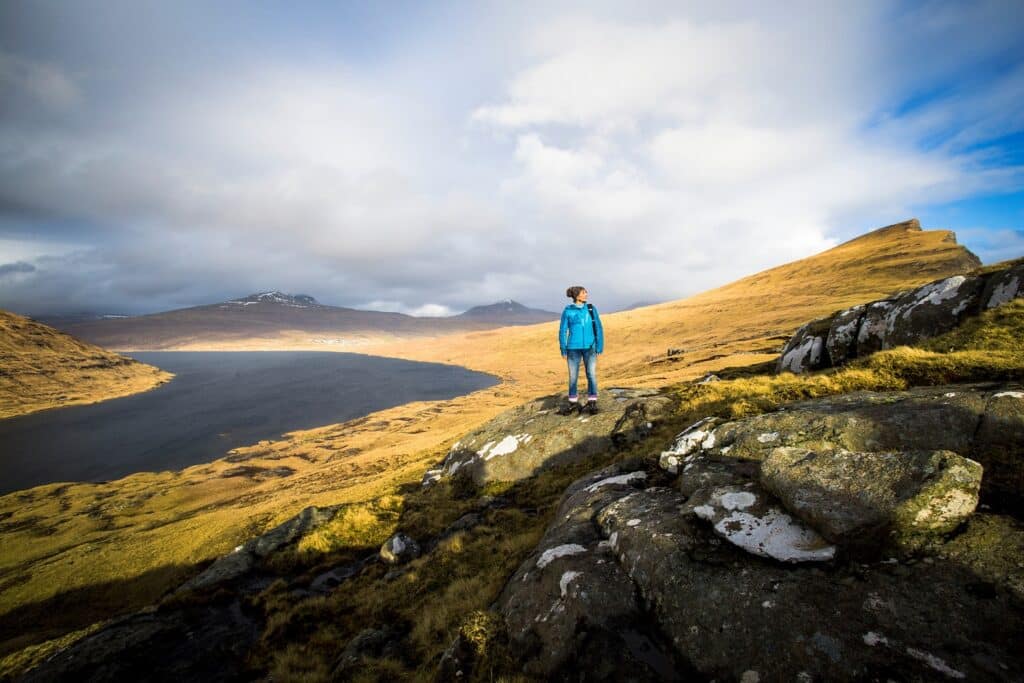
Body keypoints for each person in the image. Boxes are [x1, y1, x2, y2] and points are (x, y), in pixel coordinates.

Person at [558, 285, 604, 415]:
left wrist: (599, 345)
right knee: (573, 377)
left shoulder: (591, 309)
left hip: (590, 347)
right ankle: (573, 403)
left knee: (591, 375)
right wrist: (563, 348)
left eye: (586, 292)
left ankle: (592, 402)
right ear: (577, 296)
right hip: (573, 349)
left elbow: (598, 327)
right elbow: (562, 330)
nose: (586, 294)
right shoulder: (567, 311)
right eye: (584, 293)